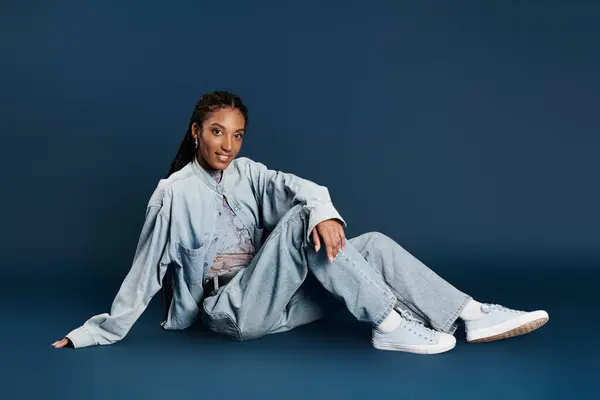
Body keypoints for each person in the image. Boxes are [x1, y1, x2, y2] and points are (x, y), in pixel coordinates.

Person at [52, 91, 548, 354]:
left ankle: (469, 314)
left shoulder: (248, 173)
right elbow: (143, 274)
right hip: (232, 310)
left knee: (367, 242)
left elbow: (300, 187)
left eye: (238, 135)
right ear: (196, 132)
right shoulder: (173, 194)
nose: (228, 145)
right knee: (298, 223)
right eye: (217, 132)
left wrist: (326, 211)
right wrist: (95, 333)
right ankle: (390, 323)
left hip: (281, 304)